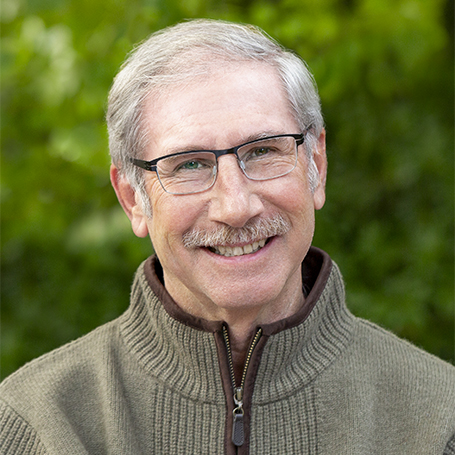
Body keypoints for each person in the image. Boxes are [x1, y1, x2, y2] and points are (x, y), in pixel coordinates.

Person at [1, 19, 454, 455]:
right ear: (133, 199)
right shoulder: (34, 427)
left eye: (262, 151)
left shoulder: (438, 422)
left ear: (316, 167)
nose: (236, 207)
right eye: (190, 164)